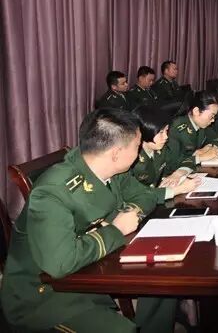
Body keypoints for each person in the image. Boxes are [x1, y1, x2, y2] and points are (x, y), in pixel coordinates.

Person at [1, 109, 178, 333]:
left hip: (88, 267)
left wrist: (129, 213)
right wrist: (116, 229)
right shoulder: (52, 191)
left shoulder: (110, 168)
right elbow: (60, 263)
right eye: (137, 145)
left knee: (165, 280)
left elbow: (146, 195)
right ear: (116, 153)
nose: (139, 150)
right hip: (43, 295)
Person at [130, 105, 202, 196]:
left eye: (166, 131)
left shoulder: (160, 148)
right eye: (161, 132)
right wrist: (178, 189)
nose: (166, 137)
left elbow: (182, 160)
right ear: (144, 132)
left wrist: (180, 173)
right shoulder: (131, 159)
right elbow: (137, 195)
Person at [165, 90, 218, 173]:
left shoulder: (200, 123)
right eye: (212, 116)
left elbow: (217, 138)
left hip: (190, 170)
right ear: (196, 111)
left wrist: (210, 147)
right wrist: (199, 157)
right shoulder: (177, 129)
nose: (213, 120)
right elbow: (172, 164)